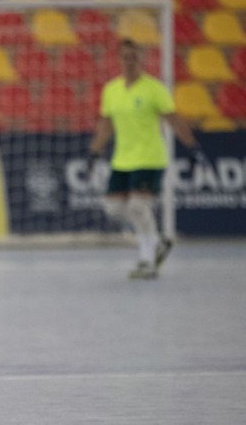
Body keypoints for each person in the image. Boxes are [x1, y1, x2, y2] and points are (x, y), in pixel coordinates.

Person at [88, 38, 205, 280]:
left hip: (150, 158)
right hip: (122, 159)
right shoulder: (112, 90)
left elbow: (173, 119)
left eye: (134, 58)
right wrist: (95, 152)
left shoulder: (154, 89)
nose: (130, 62)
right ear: (119, 60)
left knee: (138, 206)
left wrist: (192, 148)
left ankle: (147, 261)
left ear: (142, 60)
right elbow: (106, 125)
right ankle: (158, 241)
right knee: (113, 208)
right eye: (125, 57)